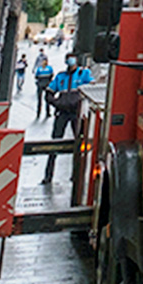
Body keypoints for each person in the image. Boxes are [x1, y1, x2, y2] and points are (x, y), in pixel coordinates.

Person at [43, 53, 95, 185]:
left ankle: (76, 175)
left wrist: (79, 102)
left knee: (78, 144)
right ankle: (48, 176)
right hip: (62, 113)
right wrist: (57, 103)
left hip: (76, 113)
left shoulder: (83, 74)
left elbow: (92, 87)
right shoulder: (61, 77)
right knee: (54, 143)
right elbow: (49, 92)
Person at [32, 49, 53, 120]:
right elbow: (52, 75)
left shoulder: (39, 69)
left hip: (40, 84)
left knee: (39, 99)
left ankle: (38, 113)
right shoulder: (50, 68)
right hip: (47, 85)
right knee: (47, 99)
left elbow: (36, 76)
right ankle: (48, 112)